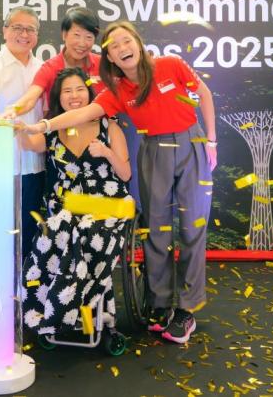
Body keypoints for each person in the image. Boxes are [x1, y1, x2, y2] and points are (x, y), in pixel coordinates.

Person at [24, 21, 218, 344]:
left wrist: (211, 140)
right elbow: (81, 114)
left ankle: (186, 310)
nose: (122, 49)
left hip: (192, 144)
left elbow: (205, 94)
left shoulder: (170, 64)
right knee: (156, 229)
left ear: (138, 44)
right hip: (154, 151)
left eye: (126, 41)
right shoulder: (116, 91)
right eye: (114, 46)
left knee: (192, 228)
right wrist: (44, 124)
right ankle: (159, 304)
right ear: (110, 58)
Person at [18, 67, 132, 338]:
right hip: (68, 207)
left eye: (79, 89)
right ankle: (48, 314)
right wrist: (18, 123)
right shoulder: (55, 131)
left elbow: (125, 174)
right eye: (67, 91)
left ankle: (76, 312)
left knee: (84, 232)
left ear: (90, 92)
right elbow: (28, 144)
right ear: (60, 98)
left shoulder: (109, 126)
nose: (74, 95)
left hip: (108, 204)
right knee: (54, 231)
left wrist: (105, 152)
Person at [0, 6, 45, 262]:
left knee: (31, 234)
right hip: (3, 165)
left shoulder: (43, 68)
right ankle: (3, 299)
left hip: (35, 165)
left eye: (30, 29)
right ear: (5, 30)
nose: (24, 34)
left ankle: (29, 295)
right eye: (17, 27)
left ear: (37, 35)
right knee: (4, 237)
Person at [4, 7, 104, 118]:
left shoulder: (103, 65)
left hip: (100, 131)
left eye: (89, 37)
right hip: (61, 131)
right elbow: (30, 98)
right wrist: (13, 110)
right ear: (64, 35)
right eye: (77, 35)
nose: (82, 43)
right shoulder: (49, 68)